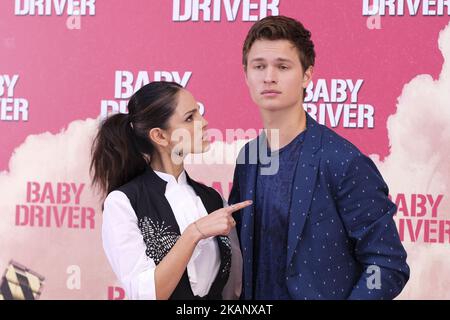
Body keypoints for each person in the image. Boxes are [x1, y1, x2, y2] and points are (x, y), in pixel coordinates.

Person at [228, 15, 410, 300]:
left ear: (307, 74)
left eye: (283, 66)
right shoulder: (248, 157)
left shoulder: (342, 160)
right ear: (246, 73)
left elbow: (386, 264)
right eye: (259, 66)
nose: (269, 77)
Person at [90, 81, 251, 300]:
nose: (203, 123)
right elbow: (145, 295)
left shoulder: (213, 200)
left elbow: (232, 289)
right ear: (160, 136)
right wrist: (194, 233)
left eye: (199, 114)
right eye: (189, 118)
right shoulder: (123, 202)